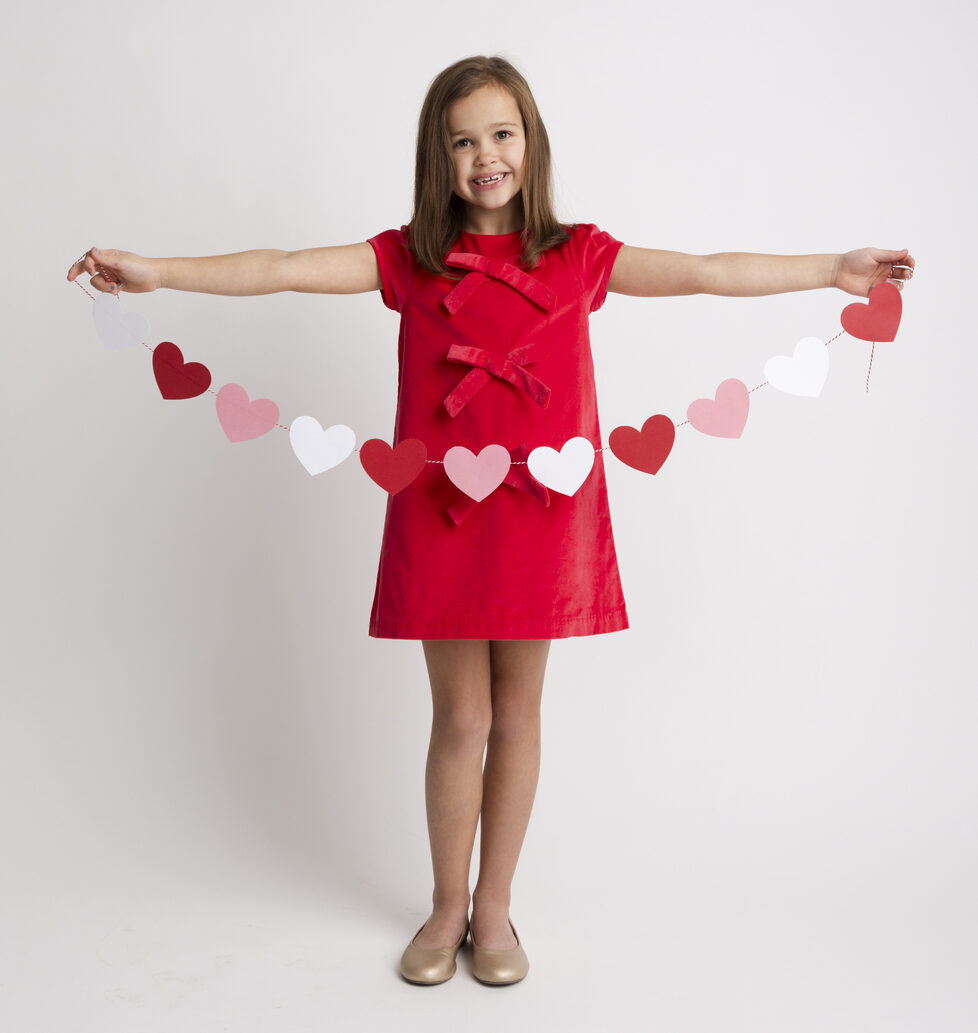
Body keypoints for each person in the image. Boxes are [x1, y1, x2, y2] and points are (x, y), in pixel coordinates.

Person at [66, 54, 914, 987]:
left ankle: (496, 904)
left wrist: (831, 270)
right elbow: (283, 267)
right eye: (463, 141)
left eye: (501, 134)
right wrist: (157, 272)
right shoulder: (409, 257)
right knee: (461, 715)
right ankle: (445, 905)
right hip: (442, 508)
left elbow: (708, 271)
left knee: (516, 712)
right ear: (439, 156)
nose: (485, 157)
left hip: (542, 508)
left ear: (531, 141)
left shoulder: (579, 253)